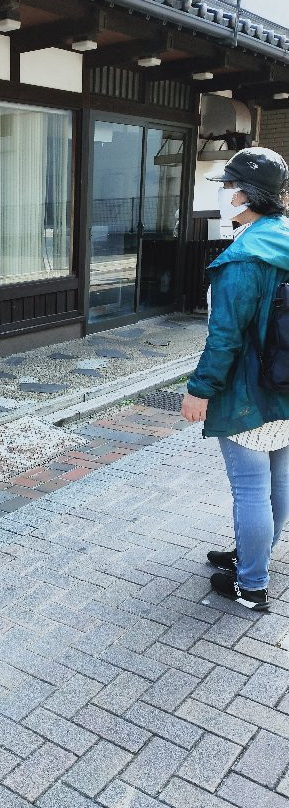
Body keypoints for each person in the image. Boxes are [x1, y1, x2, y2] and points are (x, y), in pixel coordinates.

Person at [181, 147, 289, 611]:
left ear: (245, 194)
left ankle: (252, 584)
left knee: (250, 489)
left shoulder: (243, 257)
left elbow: (224, 339)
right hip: (287, 382)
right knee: (279, 479)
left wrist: (199, 390)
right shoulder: (283, 235)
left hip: (250, 390)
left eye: (227, 186)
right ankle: (254, 554)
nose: (225, 194)